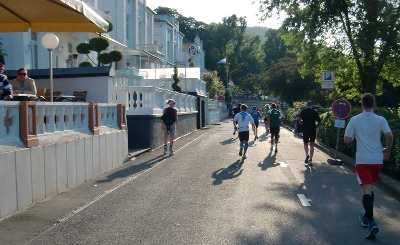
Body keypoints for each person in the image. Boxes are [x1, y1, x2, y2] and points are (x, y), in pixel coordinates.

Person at [344, 93, 392, 240]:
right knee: (369, 187)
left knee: (365, 190)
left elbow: (346, 140)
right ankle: (365, 216)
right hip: (377, 160)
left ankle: (372, 222)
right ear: (374, 104)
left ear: (362, 104)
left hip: (363, 160)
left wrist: (352, 138)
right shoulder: (380, 119)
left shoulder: (355, 120)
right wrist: (388, 151)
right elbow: (389, 136)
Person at [298, 100, 321, 165]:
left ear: (307, 105)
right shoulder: (315, 112)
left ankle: (307, 154)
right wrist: (316, 126)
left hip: (305, 129)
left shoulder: (303, 111)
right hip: (313, 129)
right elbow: (319, 122)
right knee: (312, 144)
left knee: (305, 143)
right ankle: (310, 159)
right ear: (312, 105)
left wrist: (300, 122)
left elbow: (299, 118)